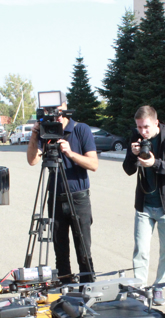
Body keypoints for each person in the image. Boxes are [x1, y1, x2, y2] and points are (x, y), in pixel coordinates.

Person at [27, 101, 98, 283]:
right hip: (55, 198)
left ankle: (87, 287)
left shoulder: (81, 129)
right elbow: (33, 161)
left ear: (65, 111)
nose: (53, 117)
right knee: (60, 250)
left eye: (56, 112)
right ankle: (65, 287)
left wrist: (70, 153)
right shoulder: (46, 130)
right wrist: (35, 135)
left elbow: (94, 164)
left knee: (83, 249)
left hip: (78, 197)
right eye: (47, 112)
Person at [123, 106, 165, 305]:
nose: (143, 132)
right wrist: (133, 155)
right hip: (144, 204)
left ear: (156, 123)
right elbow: (127, 170)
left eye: (146, 127)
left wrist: (155, 163)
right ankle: (140, 288)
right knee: (140, 248)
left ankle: (159, 288)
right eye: (139, 127)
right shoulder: (136, 137)